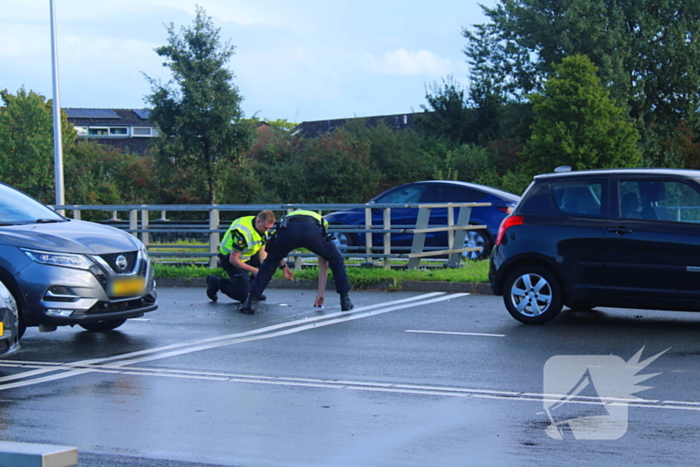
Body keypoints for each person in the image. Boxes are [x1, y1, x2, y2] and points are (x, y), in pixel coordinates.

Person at [240, 210, 353, 314]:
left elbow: (272, 250)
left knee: (269, 264)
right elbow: (324, 263)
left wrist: (283, 266)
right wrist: (320, 294)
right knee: (336, 260)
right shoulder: (321, 221)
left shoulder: (287, 218)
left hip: (289, 231)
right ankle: (345, 300)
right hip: (312, 232)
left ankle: (250, 301)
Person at [206, 210, 293, 303]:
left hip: (248, 255)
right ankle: (216, 282)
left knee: (270, 262)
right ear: (258, 221)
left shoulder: (260, 226)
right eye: (265, 228)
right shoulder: (242, 233)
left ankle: (252, 291)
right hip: (230, 259)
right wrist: (255, 271)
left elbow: (262, 249)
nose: (267, 230)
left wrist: (265, 268)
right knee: (242, 296)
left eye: (269, 228)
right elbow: (233, 259)